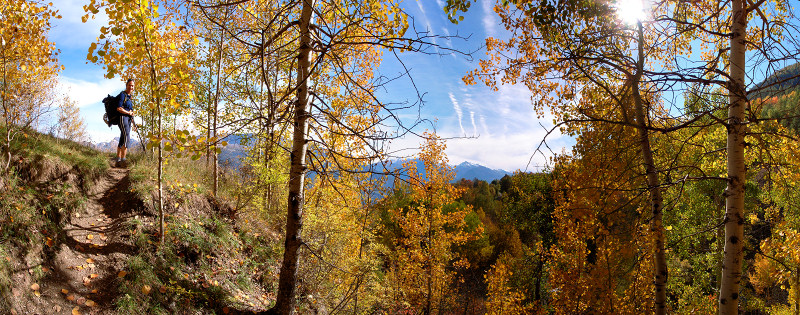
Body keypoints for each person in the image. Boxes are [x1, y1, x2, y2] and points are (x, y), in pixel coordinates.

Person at [115, 79, 135, 167]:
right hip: (122, 118)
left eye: (132, 86)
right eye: (129, 85)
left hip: (129, 119)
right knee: (127, 136)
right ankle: (123, 159)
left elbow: (131, 112)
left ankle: (118, 159)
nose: (131, 87)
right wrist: (128, 113)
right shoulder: (122, 95)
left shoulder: (129, 97)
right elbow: (119, 108)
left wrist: (133, 123)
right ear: (126, 85)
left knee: (123, 136)